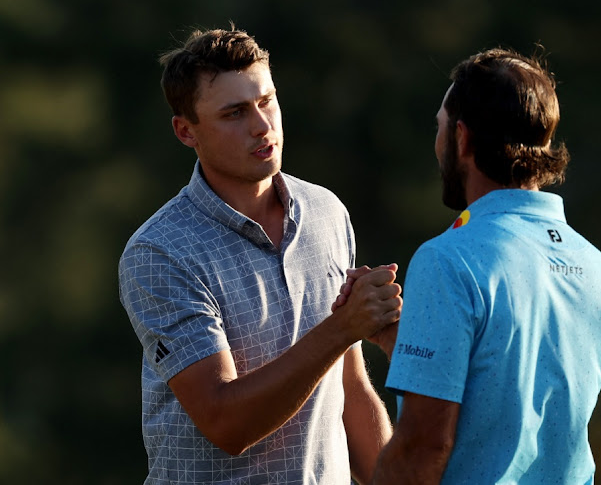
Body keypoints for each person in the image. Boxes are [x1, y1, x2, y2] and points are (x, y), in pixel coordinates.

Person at [118, 25, 402, 485]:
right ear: (186, 132)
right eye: (234, 113)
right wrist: (343, 327)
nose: (261, 125)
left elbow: (349, 387)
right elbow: (226, 423)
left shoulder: (327, 212)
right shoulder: (159, 251)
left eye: (266, 100)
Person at [347, 47, 601, 483]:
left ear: (462, 138)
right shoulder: (596, 267)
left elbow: (424, 446)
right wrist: (402, 342)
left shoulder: (448, 259)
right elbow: (512, 398)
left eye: (439, 127)